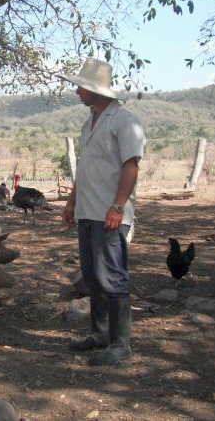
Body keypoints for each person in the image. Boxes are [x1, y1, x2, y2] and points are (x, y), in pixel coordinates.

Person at [58, 58, 146, 366]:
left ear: (96, 90)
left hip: (110, 212)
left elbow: (131, 166)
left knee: (113, 277)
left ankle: (121, 344)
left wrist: (118, 206)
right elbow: (85, 169)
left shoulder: (125, 121)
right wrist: (71, 202)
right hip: (87, 210)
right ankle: (99, 334)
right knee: (93, 277)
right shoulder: (89, 124)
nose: (77, 92)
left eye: (81, 87)